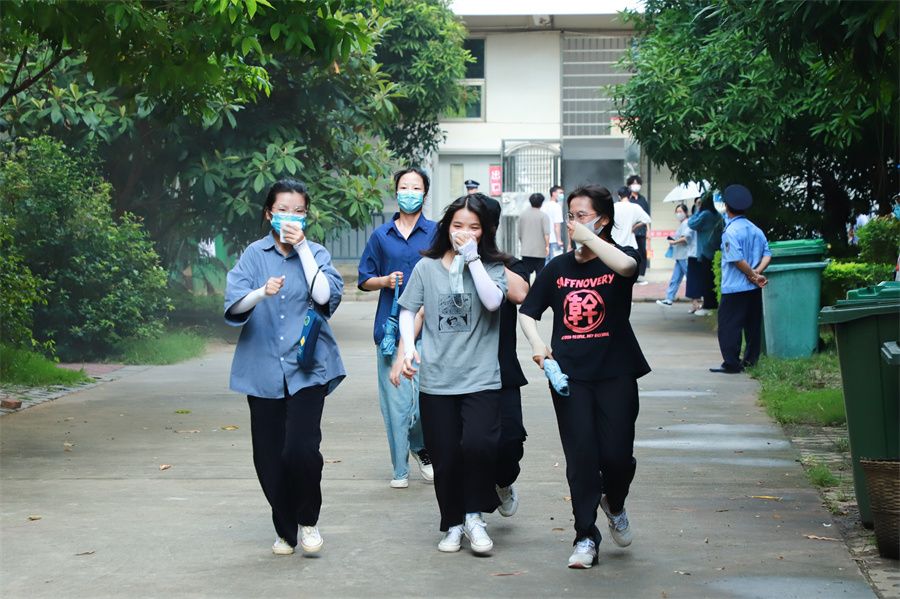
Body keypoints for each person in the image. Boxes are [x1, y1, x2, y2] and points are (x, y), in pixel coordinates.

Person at [519, 185, 650, 569]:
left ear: (603, 219)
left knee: (617, 457)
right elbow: (528, 311)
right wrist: (538, 344)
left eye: (582, 216)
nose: (573, 222)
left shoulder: (620, 258)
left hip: (616, 372)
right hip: (570, 376)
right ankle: (584, 536)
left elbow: (627, 269)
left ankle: (615, 503)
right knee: (581, 457)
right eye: (570, 216)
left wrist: (590, 238)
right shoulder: (557, 268)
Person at [224, 179, 345, 556]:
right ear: (268, 214)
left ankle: (308, 521)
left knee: (301, 449)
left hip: (308, 366)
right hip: (261, 368)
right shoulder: (253, 255)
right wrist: (261, 292)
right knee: (268, 457)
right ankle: (285, 528)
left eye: (298, 211)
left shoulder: (317, 253)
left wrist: (303, 248)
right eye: (282, 210)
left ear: (307, 216)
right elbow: (234, 305)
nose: (290, 217)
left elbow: (324, 297)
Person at [397, 194, 508, 555]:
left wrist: (472, 258)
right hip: (437, 381)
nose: (464, 232)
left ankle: (475, 516)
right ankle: (453, 523)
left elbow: (492, 301)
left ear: (485, 231)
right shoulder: (426, 268)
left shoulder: (492, 267)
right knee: (445, 457)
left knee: (479, 445)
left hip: (480, 378)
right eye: (458, 225)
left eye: (474, 227)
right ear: (446, 228)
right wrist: (408, 348)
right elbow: (407, 309)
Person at [358, 167, 436, 488]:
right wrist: (385, 281)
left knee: (423, 401)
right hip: (390, 330)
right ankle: (399, 468)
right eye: (404, 187)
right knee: (395, 403)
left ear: (424, 193)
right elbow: (364, 279)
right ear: (396, 192)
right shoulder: (381, 236)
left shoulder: (436, 232)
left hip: (430, 329)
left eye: (416, 188)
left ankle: (419, 445)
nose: (409, 193)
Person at [479, 193, 531, 520]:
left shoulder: (509, 265)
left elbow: (520, 293)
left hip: (502, 370)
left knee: (510, 441)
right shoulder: (447, 264)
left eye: (477, 224)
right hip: (462, 373)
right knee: (471, 445)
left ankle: (504, 481)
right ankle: (472, 512)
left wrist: (482, 258)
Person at [710, 184, 771, 374]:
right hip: (753, 288)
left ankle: (731, 363)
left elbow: (736, 259)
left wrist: (752, 275)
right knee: (752, 326)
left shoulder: (730, 232)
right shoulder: (755, 229)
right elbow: (767, 254)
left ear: (727, 207)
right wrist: (757, 273)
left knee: (729, 326)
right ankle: (751, 361)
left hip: (734, 288)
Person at [687, 193, 723, 315]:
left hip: (705, 251)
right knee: (711, 279)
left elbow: (691, 223)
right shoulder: (717, 215)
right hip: (715, 249)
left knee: (705, 280)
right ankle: (713, 304)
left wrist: (697, 209)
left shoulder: (705, 214)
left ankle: (708, 305)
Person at [657, 203, 694, 306]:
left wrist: (674, 242)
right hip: (679, 256)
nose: (678, 214)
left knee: (690, 278)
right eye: (677, 212)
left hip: (684, 256)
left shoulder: (686, 223)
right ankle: (669, 298)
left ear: (686, 212)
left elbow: (685, 238)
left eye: (680, 211)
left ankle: (696, 300)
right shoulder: (682, 224)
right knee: (675, 278)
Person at [517, 192, 550, 280]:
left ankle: (526, 288)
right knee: (540, 275)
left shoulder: (522, 215)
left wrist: (524, 244)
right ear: (541, 203)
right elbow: (546, 234)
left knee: (525, 275)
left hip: (526, 251)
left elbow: (519, 234)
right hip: (540, 252)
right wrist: (547, 246)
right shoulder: (543, 216)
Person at [626, 175, 651, 283]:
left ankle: (640, 274)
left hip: (641, 231)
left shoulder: (643, 199)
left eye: (637, 183)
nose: (635, 185)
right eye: (633, 183)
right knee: (631, 252)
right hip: (630, 231)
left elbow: (647, 216)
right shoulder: (628, 200)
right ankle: (632, 273)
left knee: (642, 252)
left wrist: (648, 231)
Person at [613, 186, 652, 251]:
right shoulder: (635, 207)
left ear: (619, 196)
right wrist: (635, 226)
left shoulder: (614, 207)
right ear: (630, 196)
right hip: (630, 244)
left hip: (616, 243)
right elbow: (647, 219)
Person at [542, 185, 565, 262]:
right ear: (553, 193)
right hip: (554, 240)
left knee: (545, 262)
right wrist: (559, 240)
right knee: (554, 262)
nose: (562, 195)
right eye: (560, 193)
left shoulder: (544, 206)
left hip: (544, 239)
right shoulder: (557, 206)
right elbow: (556, 225)